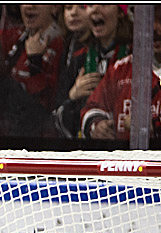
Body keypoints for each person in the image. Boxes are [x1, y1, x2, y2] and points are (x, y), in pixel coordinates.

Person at [82, 4, 161, 144]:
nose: (153, 28)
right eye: (147, 21)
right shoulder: (120, 69)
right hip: (125, 160)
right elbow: (92, 107)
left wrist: (160, 124)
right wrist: (97, 125)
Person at [53, 4, 133, 138]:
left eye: (103, 4)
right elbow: (56, 120)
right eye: (90, 5)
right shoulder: (79, 58)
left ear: (120, 12)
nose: (95, 9)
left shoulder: (135, 56)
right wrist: (72, 96)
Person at [0, 5, 65, 111]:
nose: (30, 5)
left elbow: (48, 102)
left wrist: (35, 61)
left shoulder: (61, 46)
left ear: (54, 7)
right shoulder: (13, 37)